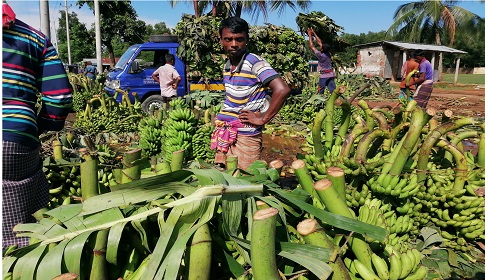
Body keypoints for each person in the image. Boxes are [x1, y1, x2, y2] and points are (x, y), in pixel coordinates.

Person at [2, 2, 73, 249]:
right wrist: (41, 125)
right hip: (13, 134)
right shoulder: (34, 37)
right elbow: (60, 96)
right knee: (15, 226)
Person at [210, 17, 291, 170]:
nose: (234, 44)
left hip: (246, 134)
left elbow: (282, 90)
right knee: (227, 176)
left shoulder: (254, 62)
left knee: (246, 178)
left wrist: (263, 118)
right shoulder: (228, 65)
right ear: (221, 40)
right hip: (227, 131)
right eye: (228, 39)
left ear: (247, 40)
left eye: (239, 39)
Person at [307, 28, 336, 95]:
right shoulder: (328, 54)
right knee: (333, 90)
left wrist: (310, 36)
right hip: (331, 75)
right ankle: (335, 101)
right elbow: (319, 42)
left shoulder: (320, 55)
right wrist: (314, 33)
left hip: (324, 76)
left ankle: (320, 103)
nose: (320, 46)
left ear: (322, 49)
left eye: (321, 47)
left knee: (321, 90)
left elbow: (312, 46)